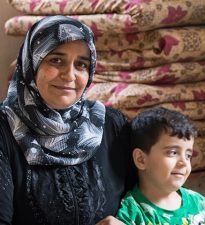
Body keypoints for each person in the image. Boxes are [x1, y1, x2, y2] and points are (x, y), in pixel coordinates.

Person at [0, 15, 135, 224]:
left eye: (81, 64)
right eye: (56, 60)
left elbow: (149, 201)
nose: (69, 75)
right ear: (32, 62)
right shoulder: (4, 129)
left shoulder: (111, 125)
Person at [116, 107, 205, 225]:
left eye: (188, 155)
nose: (184, 162)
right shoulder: (132, 214)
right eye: (173, 152)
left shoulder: (201, 204)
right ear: (141, 159)